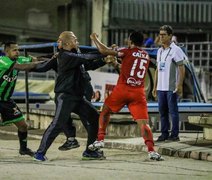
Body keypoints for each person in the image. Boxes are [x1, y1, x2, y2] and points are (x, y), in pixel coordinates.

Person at [33, 31, 109, 161]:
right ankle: (40, 153)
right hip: (66, 96)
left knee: (95, 117)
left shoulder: (74, 55)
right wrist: (106, 51)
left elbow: (89, 64)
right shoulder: (66, 55)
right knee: (57, 124)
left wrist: (104, 60)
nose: (77, 42)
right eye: (75, 39)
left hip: (78, 97)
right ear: (67, 43)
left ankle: (89, 151)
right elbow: (88, 57)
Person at [88, 31, 164, 161]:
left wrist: (95, 38)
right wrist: (115, 63)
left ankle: (100, 139)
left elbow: (103, 50)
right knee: (144, 124)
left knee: (105, 110)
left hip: (123, 89)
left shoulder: (127, 51)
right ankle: (152, 151)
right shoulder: (145, 55)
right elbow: (129, 68)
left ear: (130, 41)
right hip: (138, 93)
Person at [0, 41, 40, 157]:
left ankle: (23, 149)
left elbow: (34, 60)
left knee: (23, 125)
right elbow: (22, 67)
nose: (17, 52)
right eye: (14, 50)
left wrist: (53, 58)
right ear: (6, 51)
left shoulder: (19, 59)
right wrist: (38, 63)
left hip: (7, 100)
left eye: (18, 50)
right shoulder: (2, 61)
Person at [152, 25, 186, 142]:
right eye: (160, 34)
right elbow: (157, 69)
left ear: (170, 36)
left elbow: (182, 68)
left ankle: (175, 134)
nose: (161, 37)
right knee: (162, 112)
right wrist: (155, 86)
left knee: (173, 111)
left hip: (171, 87)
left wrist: (179, 85)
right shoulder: (160, 51)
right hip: (161, 87)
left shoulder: (176, 50)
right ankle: (164, 133)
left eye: (163, 35)